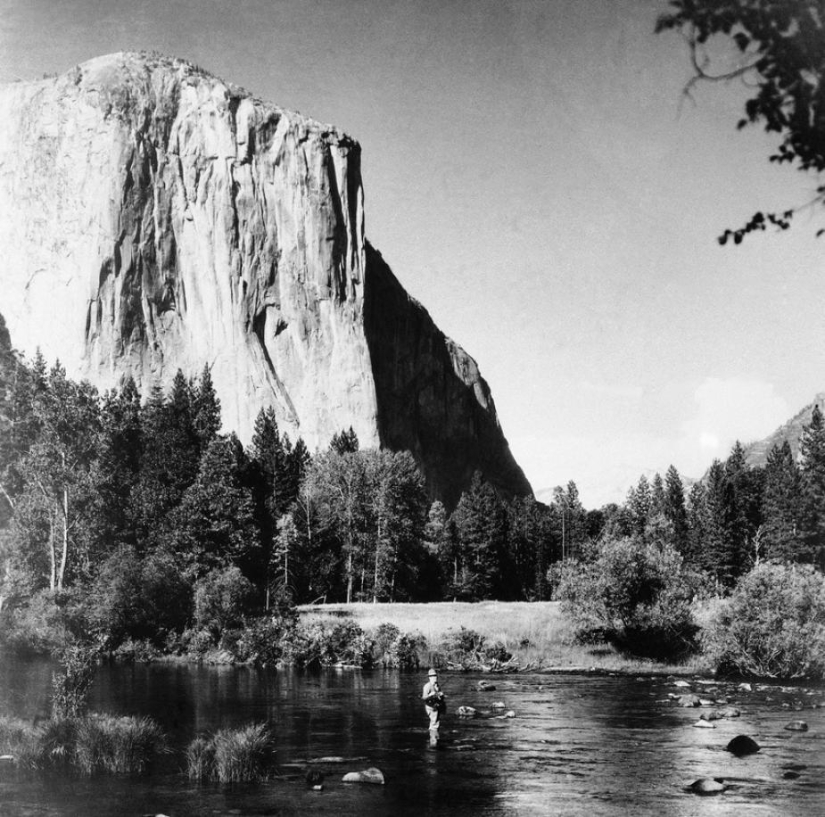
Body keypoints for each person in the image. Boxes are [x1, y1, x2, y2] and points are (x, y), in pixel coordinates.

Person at [422, 667, 445, 743]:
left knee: (435, 722)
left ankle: (433, 738)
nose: (434, 677)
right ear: (429, 677)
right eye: (432, 676)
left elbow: (440, 695)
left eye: (435, 675)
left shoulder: (437, 685)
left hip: (436, 706)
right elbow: (424, 698)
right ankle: (433, 742)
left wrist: (441, 695)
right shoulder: (427, 686)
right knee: (434, 723)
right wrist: (431, 695)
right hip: (430, 707)